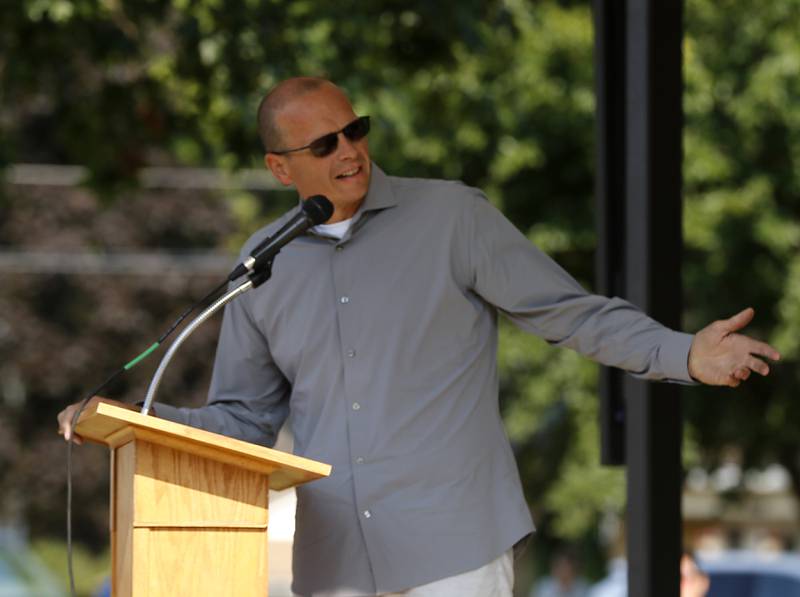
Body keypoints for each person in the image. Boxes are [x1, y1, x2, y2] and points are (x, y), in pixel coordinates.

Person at [58, 77, 780, 597]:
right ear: (281, 167)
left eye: (355, 129)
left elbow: (572, 313)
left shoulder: (453, 217)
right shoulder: (263, 264)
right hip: (335, 562)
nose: (350, 150)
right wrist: (139, 424)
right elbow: (243, 419)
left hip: (456, 548)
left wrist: (685, 352)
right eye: (324, 142)